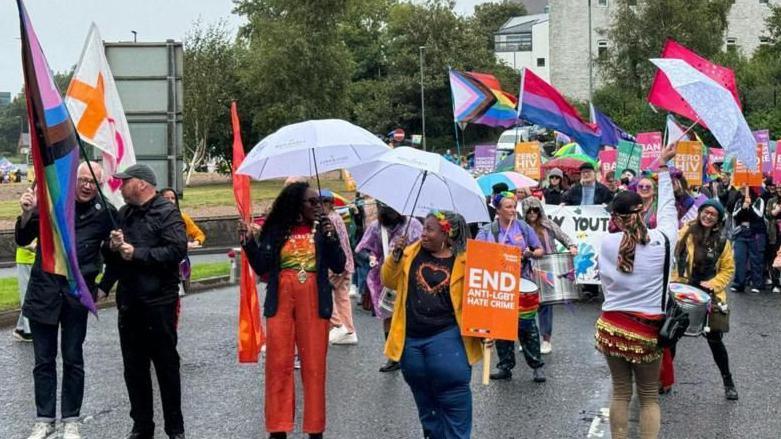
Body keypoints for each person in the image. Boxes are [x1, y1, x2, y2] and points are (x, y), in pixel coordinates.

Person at [17, 162, 116, 439]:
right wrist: (27, 214)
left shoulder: (106, 212)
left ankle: (71, 419)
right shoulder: (52, 203)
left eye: (92, 182)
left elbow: (116, 253)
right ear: (73, 179)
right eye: (82, 179)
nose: (86, 186)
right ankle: (44, 419)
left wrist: (104, 287)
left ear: (100, 183)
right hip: (43, 293)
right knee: (43, 361)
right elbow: (22, 238)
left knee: (73, 359)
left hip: (75, 297)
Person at [239, 182, 345, 439]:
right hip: (281, 303)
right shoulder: (275, 230)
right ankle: (278, 428)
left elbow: (339, 265)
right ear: (297, 205)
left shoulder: (323, 231)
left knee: (314, 368)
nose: (317, 206)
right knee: (278, 366)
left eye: (318, 202)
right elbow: (263, 266)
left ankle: (315, 429)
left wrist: (332, 238)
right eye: (312, 202)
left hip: (314, 302)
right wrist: (249, 244)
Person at [594, 145, 677, 439]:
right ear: (643, 210)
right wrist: (663, 168)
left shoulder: (604, 242)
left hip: (612, 326)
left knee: (619, 393)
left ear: (615, 218)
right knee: (649, 397)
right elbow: (668, 210)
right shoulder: (663, 240)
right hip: (646, 330)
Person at [98, 164, 187, 439]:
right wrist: (110, 248)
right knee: (134, 369)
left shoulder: (167, 212)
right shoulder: (125, 214)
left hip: (159, 301)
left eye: (124, 182)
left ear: (141, 184)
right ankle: (142, 426)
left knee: (166, 367)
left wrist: (137, 253)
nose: (120, 187)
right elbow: (115, 260)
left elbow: (176, 250)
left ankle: (175, 428)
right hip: (130, 302)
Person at [381, 211, 483, 439]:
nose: (423, 233)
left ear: (446, 234)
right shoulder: (409, 253)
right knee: (428, 412)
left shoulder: (468, 261)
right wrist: (395, 257)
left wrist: (491, 325)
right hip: (411, 345)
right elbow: (388, 281)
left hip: (448, 342)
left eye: (429, 229)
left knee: (455, 410)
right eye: (423, 228)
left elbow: (484, 298)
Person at [671, 199, 738, 400]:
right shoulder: (687, 232)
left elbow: (728, 270)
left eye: (713, 214)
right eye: (705, 212)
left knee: (715, 340)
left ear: (718, 219)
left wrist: (714, 283)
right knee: (670, 336)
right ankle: (663, 380)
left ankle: (728, 382)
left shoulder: (722, 241)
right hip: (683, 289)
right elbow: (673, 251)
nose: (708, 216)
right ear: (699, 213)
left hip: (709, 294)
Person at [476, 191, 546, 382]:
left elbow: (539, 249)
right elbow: (477, 254)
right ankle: (505, 366)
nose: (513, 210)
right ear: (498, 210)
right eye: (508, 207)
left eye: (514, 206)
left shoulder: (523, 227)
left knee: (527, 326)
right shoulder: (487, 231)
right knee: (500, 328)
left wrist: (529, 253)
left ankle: (537, 366)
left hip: (522, 283)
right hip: (498, 284)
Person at [355, 202, 423, 372]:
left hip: (410, 278)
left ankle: (412, 354)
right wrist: (371, 258)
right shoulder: (376, 228)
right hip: (384, 279)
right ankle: (393, 357)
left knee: (411, 316)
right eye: (382, 207)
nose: (386, 210)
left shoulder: (413, 225)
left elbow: (425, 249)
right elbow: (361, 249)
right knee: (388, 316)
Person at [520, 197, 578, 355]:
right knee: (527, 305)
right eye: (529, 210)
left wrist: (572, 246)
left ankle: (546, 339)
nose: (532, 213)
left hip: (547, 266)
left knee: (546, 305)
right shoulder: (520, 227)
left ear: (540, 210)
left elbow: (563, 236)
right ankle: (526, 337)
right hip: (526, 269)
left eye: (535, 209)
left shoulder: (547, 224)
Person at [320, 190, 357, 345]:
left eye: (320, 203)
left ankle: (338, 325)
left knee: (325, 293)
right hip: (346, 261)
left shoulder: (328, 220)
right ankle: (349, 330)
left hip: (336, 263)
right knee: (342, 297)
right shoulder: (337, 218)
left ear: (327, 203)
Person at [159, 188, 205, 296]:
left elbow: (199, 234)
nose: (170, 201)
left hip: (181, 260)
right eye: (166, 198)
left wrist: (195, 243)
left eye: (173, 198)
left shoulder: (183, 217)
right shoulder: (155, 218)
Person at [730, 186, 766, 294]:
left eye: (744, 188)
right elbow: (735, 215)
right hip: (741, 233)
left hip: (755, 233)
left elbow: (759, 215)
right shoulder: (739, 201)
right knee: (739, 258)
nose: (741, 190)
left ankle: (757, 284)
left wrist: (750, 206)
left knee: (756, 260)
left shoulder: (759, 200)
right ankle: (739, 284)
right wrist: (743, 207)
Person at [13, 241, 36, 342]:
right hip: (25, 260)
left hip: (37, 260)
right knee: (26, 295)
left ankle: (20, 329)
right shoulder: (25, 224)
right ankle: (28, 331)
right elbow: (19, 240)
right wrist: (30, 246)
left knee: (34, 295)